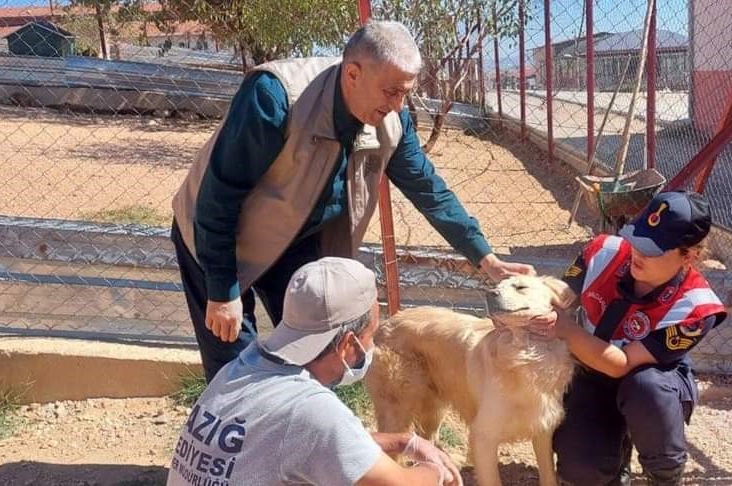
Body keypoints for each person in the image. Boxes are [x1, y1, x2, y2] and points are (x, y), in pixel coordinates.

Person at [170, 20, 533, 381]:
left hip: (295, 239)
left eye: (405, 93)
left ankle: (299, 428)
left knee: (316, 356)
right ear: (353, 74)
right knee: (235, 369)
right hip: (214, 237)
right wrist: (220, 291)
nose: (398, 105)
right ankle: (231, 429)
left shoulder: (393, 120)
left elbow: (428, 188)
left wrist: (484, 258)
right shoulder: (276, 97)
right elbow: (218, 197)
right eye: (391, 91)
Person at [167, 257, 463, 486]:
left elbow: (317, 445)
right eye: (371, 335)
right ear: (348, 343)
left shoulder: (243, 368)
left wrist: (400, 441)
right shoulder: (310, 409)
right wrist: (436, 469)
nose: (372, 345)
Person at [532, 191, 728, 486]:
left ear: (688, 255)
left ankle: (663, 476)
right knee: (581, 471)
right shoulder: (602, 252)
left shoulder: (696, 308)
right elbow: (558, 298)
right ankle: (613, 459)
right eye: (638, 240)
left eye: (653, 249)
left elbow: (620, 364)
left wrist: (566, 330)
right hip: (589, 371)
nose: (638, 253)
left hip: (649, 382)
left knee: (646, 387)